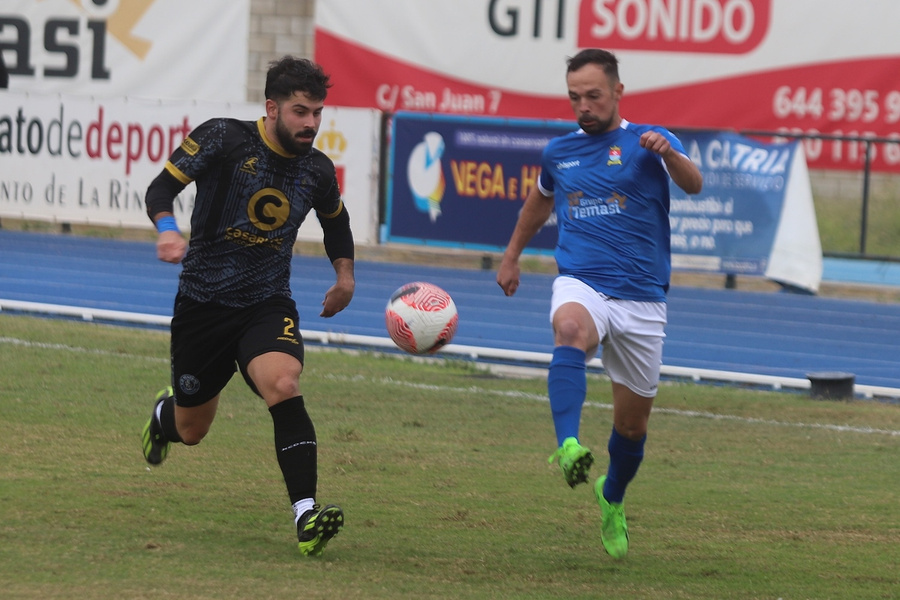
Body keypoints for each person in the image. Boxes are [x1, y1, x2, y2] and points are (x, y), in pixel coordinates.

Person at [140, 56, 355, 557]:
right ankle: (162, 414)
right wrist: (168, 231)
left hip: (266, 301)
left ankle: (306, 516)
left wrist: (344, 275)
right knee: (192, 430)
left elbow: (336, 223)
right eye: (300, 111)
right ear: (272, 107)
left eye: (318, 113)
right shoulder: (224, 138)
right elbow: (161, 187)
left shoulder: (317, 170)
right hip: (202, 304)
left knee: (284, 383)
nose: (310, 123)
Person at [496, 48, 702, 559]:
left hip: (643, 299)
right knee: (569, 328)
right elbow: (539, 201)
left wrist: (670, 154)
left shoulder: (647, 141)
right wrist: (511, 257)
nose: (583, 106)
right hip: (582, 282)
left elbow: (695, 183)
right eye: (574, 97)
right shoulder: (559, 152)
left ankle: (611, 496)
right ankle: (567, 445)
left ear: (617, 93)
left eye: (593, 95)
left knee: (632, 428)